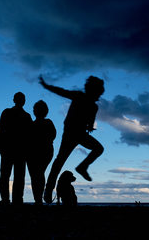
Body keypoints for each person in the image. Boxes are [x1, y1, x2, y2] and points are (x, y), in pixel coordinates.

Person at [39, 75, 105, 204]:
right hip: (70, 134)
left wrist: (90, 127)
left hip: (80, 134)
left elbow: (91, 122)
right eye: (98, 93)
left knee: (98, 148)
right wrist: (46, 86)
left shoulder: (94, 107)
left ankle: (82, 167)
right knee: (59, 162)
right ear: (92, 91)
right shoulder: (79, 96)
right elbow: (61, 91)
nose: (99, 96)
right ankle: (48, 191)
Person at [0, 92, 32, 205]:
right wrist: (0, 146)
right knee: (14, 176)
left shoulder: (25, 116)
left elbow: (0, 130)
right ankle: (12, 199)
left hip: (16, 150)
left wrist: (0, 146)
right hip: (14, 150)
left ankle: (11, 199)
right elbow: (1, 130)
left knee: (12, 176)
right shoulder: (24, 116)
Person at [26, 100, 56, 205]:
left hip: (37, 153)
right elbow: (53, 136)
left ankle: (38, 199)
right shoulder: (46, 123)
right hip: (39, 153)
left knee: (36, 176)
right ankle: (38, 199)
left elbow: (52, 136)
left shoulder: (34, 124)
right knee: (38, 175)